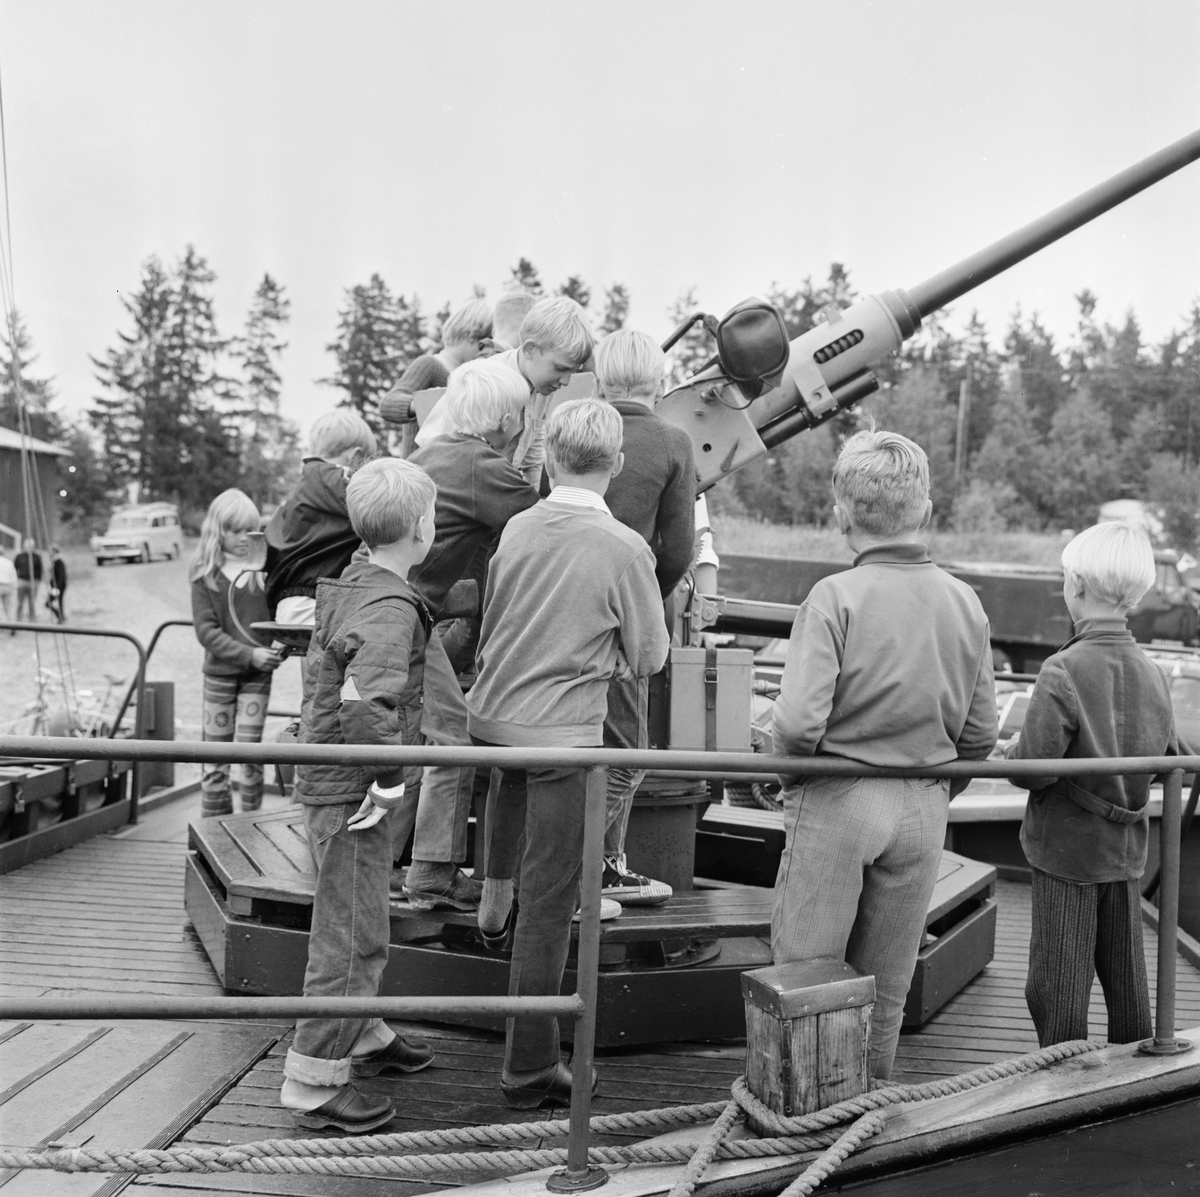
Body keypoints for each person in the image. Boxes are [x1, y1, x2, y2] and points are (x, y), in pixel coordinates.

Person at [770, 427, 997, 1081]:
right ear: (924, 513)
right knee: (888, 982)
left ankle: (796, 1117)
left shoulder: (834, 598)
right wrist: (935, 790)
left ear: (841, 514)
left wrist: (790, 778)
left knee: (805, 973)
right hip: (924, 805)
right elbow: (979, 732)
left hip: (839, 795)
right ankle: (865, 1107)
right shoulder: (964, 602)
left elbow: (798, 722)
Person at [467, 398, 670, 1108]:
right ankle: (528, 1068)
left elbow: (500, 618)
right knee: (551, 903)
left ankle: (492, 904)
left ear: (549, 458)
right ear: (615, 464)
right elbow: (648, 654)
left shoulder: (519, 528)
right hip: (559, 738)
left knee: (511, 792)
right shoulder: (623, 549)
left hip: (490, 722)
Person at [280, 457, 439, 1133]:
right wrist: (387, 780)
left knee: (361, 914)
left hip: (333, 782)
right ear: (422, 529)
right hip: (355, 789)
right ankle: (313, 1080)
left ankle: (364, 1030)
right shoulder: (389, 605)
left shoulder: (355, 582)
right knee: (348, 933)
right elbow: (368, 702)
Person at [1006, 521, 1176, 1048]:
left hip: (1067, 855)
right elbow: (1168, 755)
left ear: (1077, 585)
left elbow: (1028, 767)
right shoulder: (1155, 673)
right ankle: (1138, 1078)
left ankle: (1061, 1087)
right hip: (1126, 853)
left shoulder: (1063, 670)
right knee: (1127, 985)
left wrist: (1010, 749)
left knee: (1057, 987)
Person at [399, 358, 540, 911]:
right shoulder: (484, 468)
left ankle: (399, 860)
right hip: (405, 616)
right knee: (453, 737)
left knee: (408, 736)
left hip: (390, 606)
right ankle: (430, 873)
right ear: (507, 420)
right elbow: (544, 524)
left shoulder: (431, 453)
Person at [593, 329, 697, 906]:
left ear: (602, 380)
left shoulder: (575, 429)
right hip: (629, 615)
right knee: (626, 744)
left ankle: (588, 863)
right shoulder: (672, 440)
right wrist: (646, 600)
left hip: (562, 607)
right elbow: (679, 548)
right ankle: (596, 865)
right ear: (660, 381)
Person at [190, 490, 284, 818]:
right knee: (215, 758)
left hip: (257, 677)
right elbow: (207, 632)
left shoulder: (263, 570)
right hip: (220, 675)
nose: (243, 538)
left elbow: (281, 616)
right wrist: (250, 655)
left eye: (249, 530)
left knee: (249, 755)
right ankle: (214, 829)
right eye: (235, 531)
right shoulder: (206, 575)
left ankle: (249, 826)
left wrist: (278, 649)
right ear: (218, 532)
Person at [265, 410, 377, 626]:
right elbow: (379, 509)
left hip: (287, 603)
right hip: (318, 602)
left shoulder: (300, 490)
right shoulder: (342, 482)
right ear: (354, 456)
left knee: (313, 655)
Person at [493, 295, 595, 486]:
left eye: (573, 371)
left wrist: (532, 497)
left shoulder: (542, 384)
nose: (566, 381)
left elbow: (532, 443)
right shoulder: (491, 384)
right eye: (561, 369)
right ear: (530, 349)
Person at [14, 538, 42, 623]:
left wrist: (38, 580)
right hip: (22, 581)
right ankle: (18, 620)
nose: (29, 548)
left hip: (33, 582)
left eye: (31, 546)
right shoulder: (19, 556)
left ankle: (32, 620)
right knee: (19, 603)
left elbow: (40, 569)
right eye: (27, 546)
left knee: (32, 603)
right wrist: (17, 579)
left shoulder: (36, 557)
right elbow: (15, 568)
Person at [46, 545, 67, 624]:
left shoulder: (59, 562)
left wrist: (57, 587)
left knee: (51, 602)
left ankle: (60, 616)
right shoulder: (54, 561)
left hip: (59, 586)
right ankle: (61, 616)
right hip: (56, 586)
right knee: (57, 602)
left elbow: (62, 576)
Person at [0, 550, 17, 628]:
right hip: (7, 585)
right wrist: (14, 586)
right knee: (8, 607)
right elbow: (13, 575)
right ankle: (11, 624)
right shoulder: (9, 562)